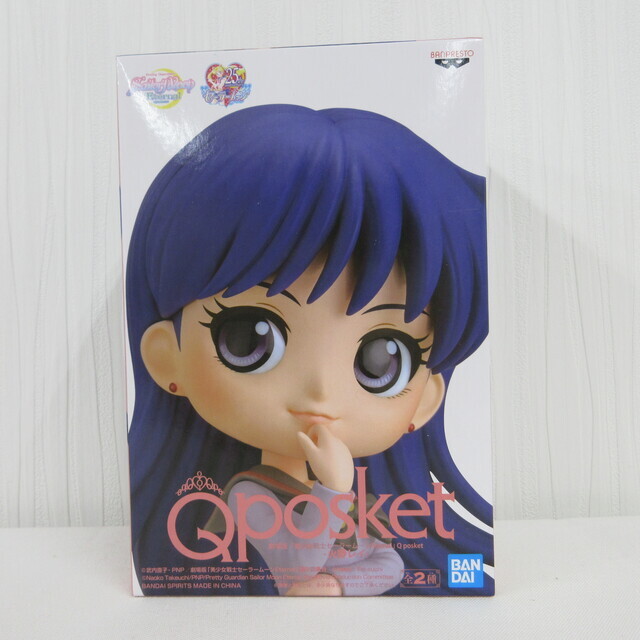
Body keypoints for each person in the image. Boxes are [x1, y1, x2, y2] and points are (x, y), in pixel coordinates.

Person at [126, 104, 493, 596]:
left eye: (382, 360)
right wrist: (332, 491)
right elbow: (296, 566)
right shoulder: (251, 492)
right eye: (250, 338)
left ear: (425, 397)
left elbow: (390, 563)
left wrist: (336, 586)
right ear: (165, 356)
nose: (320, 392)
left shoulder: (365, 502)